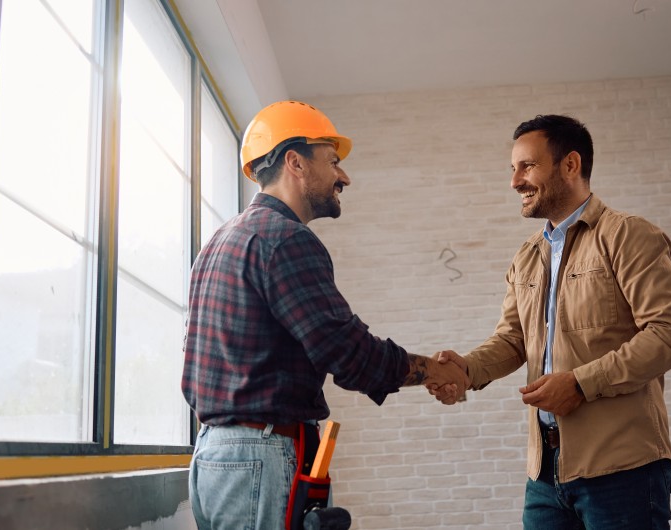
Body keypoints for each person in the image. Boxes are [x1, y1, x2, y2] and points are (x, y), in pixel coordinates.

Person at [182, 100, 467, 530]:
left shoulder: (220, 240)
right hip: (260, 457)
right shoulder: (286, 239)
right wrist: (432, 370)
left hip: (212, 457)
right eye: (333, 161)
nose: (344, 176)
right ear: (295, 162)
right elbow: (348, 353)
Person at [430, 114, 671, 529]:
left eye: (527, 166)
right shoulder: (527, 255)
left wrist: (580, 384)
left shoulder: (628, 236)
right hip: (545, 474)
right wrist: (466, 369)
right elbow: (514, 340)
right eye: (513, 168)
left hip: (623, 470)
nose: (515, 181)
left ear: (570, 165)